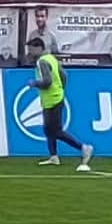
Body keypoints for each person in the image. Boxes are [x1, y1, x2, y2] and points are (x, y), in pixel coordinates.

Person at [28, 37, 94, 169]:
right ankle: (53, 157)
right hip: (54, 98)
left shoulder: (42, 62)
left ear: (38, 48)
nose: (29, 52)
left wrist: (34, 83)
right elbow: (64, 74)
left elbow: (47, 82)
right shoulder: (51, 58)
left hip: (52, 99)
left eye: (31, 49)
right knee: (48, 129)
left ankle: (83, 148)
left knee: (56, 131)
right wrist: (61, 89)